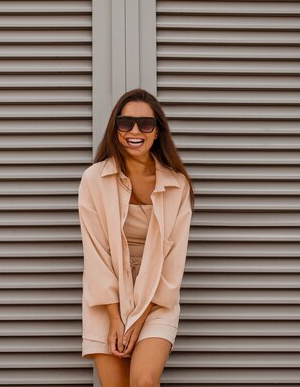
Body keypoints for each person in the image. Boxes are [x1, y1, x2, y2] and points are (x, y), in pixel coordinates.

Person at [77, 88, 195, 386]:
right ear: (115, 129)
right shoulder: (94, 179)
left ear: (158, 132)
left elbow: (173, 262)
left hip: (156, 299)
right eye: (125, 122)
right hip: (108, 300)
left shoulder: (177, 185)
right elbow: (96, 254)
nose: (135, 131)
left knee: (143, 381)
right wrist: (117, 318)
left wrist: (139, 320)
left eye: (146, 124)